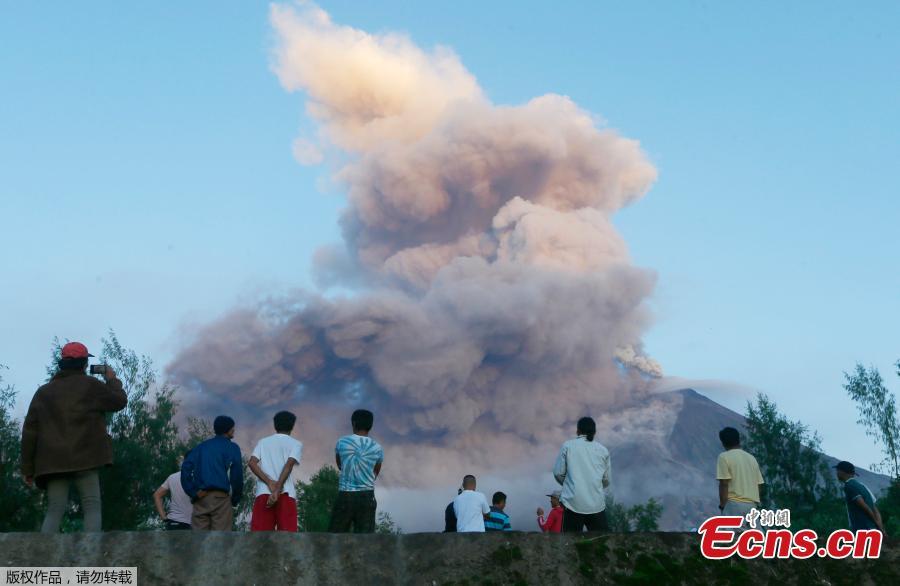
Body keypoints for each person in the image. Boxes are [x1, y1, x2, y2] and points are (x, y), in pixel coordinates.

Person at [20, 342, 127, 533]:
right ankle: (90, 550)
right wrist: (112, 379)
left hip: (53, 462)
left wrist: (27, 469)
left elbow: (30, 432)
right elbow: (119, 401)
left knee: (54, 509)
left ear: (62, 363)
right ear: (84, 364)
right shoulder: (91, 386)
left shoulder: (43, 392)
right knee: (92, 506)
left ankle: (44, 550)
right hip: (86, 458)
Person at [181, 415, 243, 531]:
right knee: (220, 539)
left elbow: (185, 468)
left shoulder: (201, 447)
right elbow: (237, 475)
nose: (234, 430)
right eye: (233, 428)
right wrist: (235, 498)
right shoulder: (232, 447)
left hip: (201, 498)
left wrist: (193, 492)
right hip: (221, 499)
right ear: (228, 429)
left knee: (199, 539)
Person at [329, 409, 384, 533]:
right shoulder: (377, 448)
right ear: (371, 425)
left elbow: (340, 465)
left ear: (353, 423)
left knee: (335, 536)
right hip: (367, 496)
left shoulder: (342, 442)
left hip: (345, 495)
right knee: (365, 539)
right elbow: (376, 471)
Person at [553, 416, 611, 532]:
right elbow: (606, 480)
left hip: (572, 503)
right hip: (596, 504)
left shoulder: (568, 446)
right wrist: (594, 487)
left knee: (570, 541)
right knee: (601, 540)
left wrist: (570, 484)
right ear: (594, 432)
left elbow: (558, 473)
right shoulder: (603, 450)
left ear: (578, 431)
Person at [248, 410, 303, 532]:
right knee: (288, 537)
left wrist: (269, 482)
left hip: (264, 493)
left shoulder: (263, 442)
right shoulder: (296, 444)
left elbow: (252, 463)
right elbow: (288, 466)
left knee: (260, 537)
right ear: (292, 426)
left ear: (275, 425)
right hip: (286, 493)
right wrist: (277, 490)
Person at [716, 427, 764, 525]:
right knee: (752, 534)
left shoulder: (724, 457)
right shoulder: (751, 458)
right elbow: (759, 485)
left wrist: (722, 505)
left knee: (732, 533)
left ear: (723, 443)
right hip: (752, 506)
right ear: (738, 440)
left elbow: (724, 484)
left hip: (734, 505)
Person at [834, 461, 884, 533]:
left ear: (842, 472)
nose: (837, 473)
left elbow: (864, 506)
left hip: (862, 528)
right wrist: (880, 527)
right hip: (871, 528)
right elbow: (875, 509)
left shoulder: (849, 486)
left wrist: (877, 525)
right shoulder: (862, 486)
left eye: (838, 470)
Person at [153, 454, 193, 530]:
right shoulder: (197, 478)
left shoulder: (172, 477)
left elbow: (157, 495)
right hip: (192, 524)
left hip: (173, 523)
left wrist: (164, 517)